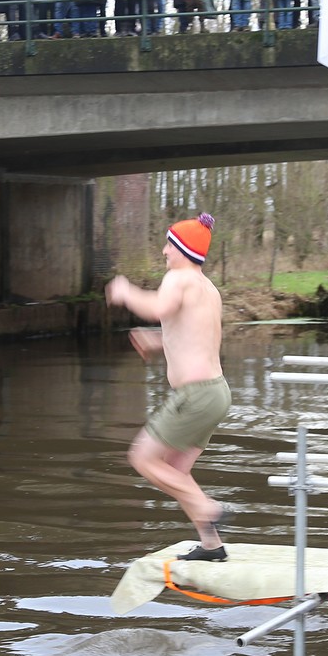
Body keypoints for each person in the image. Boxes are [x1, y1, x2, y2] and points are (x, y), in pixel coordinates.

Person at [105, 214, 231, 562]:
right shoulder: (207, 288)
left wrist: (126, 291)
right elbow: (199, 336)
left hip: (196, 395)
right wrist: (160, 340)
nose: (164, 251)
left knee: (142, 457)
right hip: (216, 393)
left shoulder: (178, 277)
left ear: (183, 250)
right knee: (175, 471)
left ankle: (209, 507)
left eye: (169, 245)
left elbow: (156, 307)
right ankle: (212, 545)